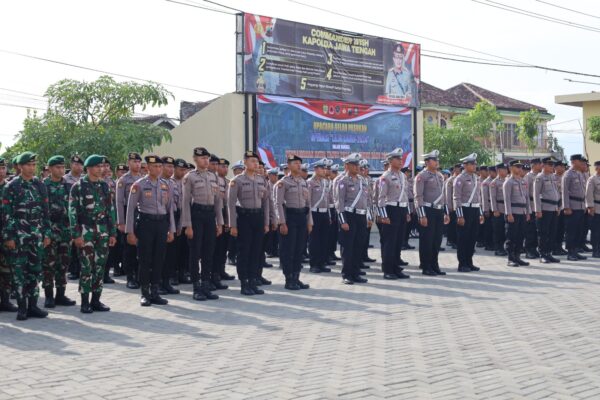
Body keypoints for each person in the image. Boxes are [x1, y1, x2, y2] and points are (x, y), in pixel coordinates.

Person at [2, 152, 51, 320]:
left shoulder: (39, 185)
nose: (31, 168)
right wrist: (8, 237)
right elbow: (6, 214)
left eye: (33, 165)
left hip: (36, 236)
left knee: (35, 271)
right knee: (19, 272)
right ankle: (22, 307)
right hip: (18, 237)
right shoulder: (12, 186)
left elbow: (46, 212)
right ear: (20, 167)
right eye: (28, 165)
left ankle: (33, 306)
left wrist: (47, 232)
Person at [69, 155, 116, 313]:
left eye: (102, 166)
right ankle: (84, 302)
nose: (101, 169)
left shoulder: (105, 186)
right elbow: (72, 212)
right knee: (86, 267)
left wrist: (112, 233)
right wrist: (76, 235)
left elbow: (110, 211)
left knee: (100, 267)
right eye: (97, 166)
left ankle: (96, 300)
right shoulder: (78, 187)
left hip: (102, 231)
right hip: (85, 230)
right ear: (89, 168)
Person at [126, 155, 175, 306]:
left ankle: (155, 291)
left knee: (159, 258)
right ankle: (145, 293)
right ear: (148, 167)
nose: (158, 169)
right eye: (155, 167)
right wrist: (130, 231)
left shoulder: (165, 185)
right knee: (145, 259)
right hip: (146, 224)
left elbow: (169, 210)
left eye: (160, 166)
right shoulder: (139, 185)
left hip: (161, 224)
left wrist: (171, 229)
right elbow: (130, 209)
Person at [181, 147, 223, 301]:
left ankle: (206, 284)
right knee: (195, 252)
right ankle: (196, 287)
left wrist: (220, 222)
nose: (206, 161)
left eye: (207, 158)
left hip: (210, 215)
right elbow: (185, 202)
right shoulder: (189, 177)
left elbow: (218, 202)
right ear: (195, 159)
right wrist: (188, 225)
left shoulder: (214, 177)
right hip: (196, 215)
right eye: (202, 158)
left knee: (208, 252)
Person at [228, 151, 270, 295]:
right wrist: (232, 225)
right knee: (244, 251)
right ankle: (244, 283)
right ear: (245, 162)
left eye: (256, 161)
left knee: (256, 251)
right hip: (244, 218)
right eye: (252, 161)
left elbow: (266, 203)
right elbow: (231, 204)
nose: (255, 164)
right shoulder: (237, 180)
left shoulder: (261, 180)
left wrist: (266, 222)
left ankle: (253, 280)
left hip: (258, 218)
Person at [42, 155, 76, 308]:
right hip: (49, 231)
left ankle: (60, 295)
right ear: (50, 169)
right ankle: (49, 296)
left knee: (63, 264)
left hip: (65, 231)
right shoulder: (42, 186)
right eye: (57, 167)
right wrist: (45, 232)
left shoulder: (69, 186)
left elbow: (73, 209)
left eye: (63, 167)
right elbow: (40, 212)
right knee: (48, 264)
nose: (61, 170)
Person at [275, 155, 313, 290]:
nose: (298, 165)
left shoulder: (304, 182)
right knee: (288, 250)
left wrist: (310, 221)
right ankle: (289, 279)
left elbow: (308, 204)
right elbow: (278, 204)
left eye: (299, 163)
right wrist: (282, 222)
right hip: (289, 218)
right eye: (295, 163)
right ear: (289, 165)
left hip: (302, 217)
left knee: (299, 249)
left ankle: (296, 277)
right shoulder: (283, 182)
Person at [334, 153, 371, 284]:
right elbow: (339, 203)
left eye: (357, 164)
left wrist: (367, 216)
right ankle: (347, 275)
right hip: (349, 216)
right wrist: (343, 221)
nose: (357, 167)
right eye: (354, 164)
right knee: (348, 247)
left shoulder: (362, 180)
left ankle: (356, 273)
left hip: (361, 216)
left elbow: (366, 200)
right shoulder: (342, 181)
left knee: (358, 246)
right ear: (347, 165)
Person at [377, 148, 411, 279]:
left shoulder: (402, 176)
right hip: (391, 210)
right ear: (390, 161)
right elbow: (381, 198)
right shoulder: (385, 177)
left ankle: (396, 268)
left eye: (400, 158)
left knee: (398, 241)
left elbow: (405, 196)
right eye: (397, 159)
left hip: (401, 210)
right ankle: (388, 270)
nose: (400, 161)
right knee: (389, 242)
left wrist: (407, 211)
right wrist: (384, 215)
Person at [414, 150, 449, 276]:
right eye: (435, 160)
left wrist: (445, 212)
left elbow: (442, 196)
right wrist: (422, 215)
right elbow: (418, 197)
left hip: (438, 210)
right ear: (427, 162)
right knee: (426, 240)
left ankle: (435, 265)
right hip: (427, 210)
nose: (437, 162)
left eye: (437, 160)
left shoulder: (439, 175)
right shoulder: (421, 176)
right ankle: (426, 266)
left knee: (436, 240)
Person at [453, 153, 484, 272]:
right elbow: (457, 198)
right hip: (465, 210)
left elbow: (478, 197)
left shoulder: (476, 178)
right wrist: (460, 215)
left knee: (472, 238)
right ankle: (462, 263)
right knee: (463, 238)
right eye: (472, 164)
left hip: (475, 209)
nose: (475, 166)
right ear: (465, 165)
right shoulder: (460, 178)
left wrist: (480, 212)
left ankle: (469, 261)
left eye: (475, 163)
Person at [532, 157, 561, 264]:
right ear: (543, 165)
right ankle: (543, 254)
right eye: (549, 164)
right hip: (544, 209)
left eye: (552, 164)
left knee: (552, 232)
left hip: (553, 208)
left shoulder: (553, 177)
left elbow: (557, 192)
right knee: (543, 233)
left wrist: (558, 207)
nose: (552, 166)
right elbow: (536, 195)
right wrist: (538, 210)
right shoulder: (539, 177)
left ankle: (549, 253)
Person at [503, 160, 531, 267]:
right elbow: (507, 199)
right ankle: (510, 258)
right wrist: (508, 214)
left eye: (520, 167)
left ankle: (517, 257)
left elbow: (527, 198)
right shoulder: (508, 182)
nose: (520, 168)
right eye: (517, 166)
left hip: (522, 212)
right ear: (511, 168)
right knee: (511, 236)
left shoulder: (523, 181)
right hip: (513, 213)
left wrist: (528, 212)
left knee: (521, 236)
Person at [0, 157, 18, 313]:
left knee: (7, 270)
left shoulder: (11, 188)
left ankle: (5, 301)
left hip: (7, 235)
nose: (1, 171)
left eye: (3, 168)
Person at [307, 159, 332, 274]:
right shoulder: (310, 183)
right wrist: (309, 218)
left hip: (324, 213)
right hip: (314, 213)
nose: (324, 170)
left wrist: (329, 215)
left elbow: (327, 200)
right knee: (314, 241)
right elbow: (308, 202)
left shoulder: (325, 182)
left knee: (324, 240)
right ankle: (314, 264)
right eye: (322, 168)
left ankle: (322, 263)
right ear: (316, 169)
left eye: (325, 168)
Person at [213, 158, 234, 285]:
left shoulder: (228, 182)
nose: (224, 169)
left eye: (226, 167)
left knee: (224, 248)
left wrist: (229, 222)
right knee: (216, 248)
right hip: (217, 217)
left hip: (226, 217)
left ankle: (221, 270)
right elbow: (217, 205)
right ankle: (214, 273)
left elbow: (229, 205)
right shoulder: (214, 181)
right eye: (222, 166)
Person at [562, 154, 587, 261]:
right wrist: (566, 207)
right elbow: (564, 192)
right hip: (572, 206)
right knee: (571, 231)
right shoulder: (568, 174)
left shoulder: (580, 174)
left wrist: (585, 205)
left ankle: (576, 251)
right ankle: (570, 252)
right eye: (579, 161)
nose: (581, 163)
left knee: (578, 230)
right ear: (573, 162)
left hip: (581, 206)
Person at [65, 155, 84, 281]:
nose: (78, 166)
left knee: (82, 244)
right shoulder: (65, 179)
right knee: (72, 244)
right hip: (68, 215)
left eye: (80, 164)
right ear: (71, 165)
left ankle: (82, 269)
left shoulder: (84, 179)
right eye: (75, 164)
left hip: (82, 216)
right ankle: (73, 270)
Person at [524, 158, 542, 259]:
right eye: (539, 164)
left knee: (537, 230)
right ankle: (528, 250)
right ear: (534, 165)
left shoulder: (539, 176)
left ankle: (534, 249)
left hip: (538, 206)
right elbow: (526, 194)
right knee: (530, 230)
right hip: (531, 206)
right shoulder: (528, 177)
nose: (541, 166)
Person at [489, 163, 508, 256]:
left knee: (506, 231)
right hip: (499, 209)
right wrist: (495, 210)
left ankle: (504, 247)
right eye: (504, 169)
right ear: (499, 171)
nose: (506, 171)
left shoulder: (508, 180)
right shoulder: (494, 182)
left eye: (506, 169)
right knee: (498, 230)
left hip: (507, 209)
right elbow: (493, 197)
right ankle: (498, 248)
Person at [553, 161, 568, 256]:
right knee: (555, 228)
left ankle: (559, 246)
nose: (563, 168)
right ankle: (554, 248)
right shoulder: (552, 177)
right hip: (555, 206)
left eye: (564, 167)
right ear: (556, 167)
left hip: (563, 206)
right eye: (561, 166)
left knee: (562, 228)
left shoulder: (564, 178)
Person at [585, 161, 600, 258]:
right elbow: (588, 194)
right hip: (596, 208)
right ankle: (595, 250)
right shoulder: (592, 179)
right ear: (597, 168)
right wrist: (590, 207)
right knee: (596, 231)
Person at [445, 164, 460, 249]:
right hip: (452, 206)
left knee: (458, 225)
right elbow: (448, 194)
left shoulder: (461, 179)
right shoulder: (450, 180)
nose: (459, 170)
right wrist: (449, 206)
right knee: (453, 225)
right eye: (458, 168)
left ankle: (456, 241)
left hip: (459, 205)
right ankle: (452, 241)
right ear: (454, 169)